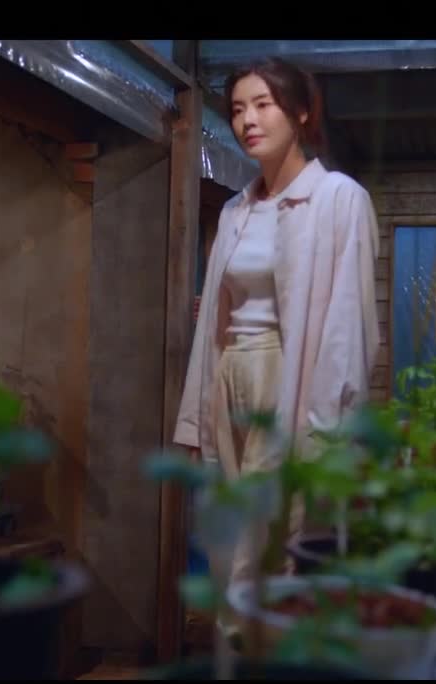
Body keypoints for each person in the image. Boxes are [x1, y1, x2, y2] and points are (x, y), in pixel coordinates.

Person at [173, 57, 382, 611]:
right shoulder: (235, 211)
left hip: (287, 378)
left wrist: (328, 431)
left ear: (302, 112)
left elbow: (349, 329)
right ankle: (238, 645)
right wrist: (194, 419)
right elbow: (213, 325)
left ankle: (264, 644)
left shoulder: (339, 198)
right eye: (238, 109)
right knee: (227, 544)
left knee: (269, 547)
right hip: (230, 377)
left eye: (263, 105)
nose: (248, 120)